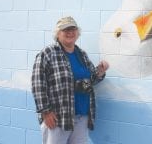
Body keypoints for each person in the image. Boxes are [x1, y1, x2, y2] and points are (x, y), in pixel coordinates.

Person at [31, 16, 109, 144]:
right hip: (58, 117)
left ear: (78, 32)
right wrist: (45, 111)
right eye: (65, 29)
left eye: (73, 29)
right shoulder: (48, 53)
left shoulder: (82, 54)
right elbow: (37, 83)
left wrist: (100, 71)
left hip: (81, 116)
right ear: (58, 34)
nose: (70, 32)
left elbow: (90, 80)